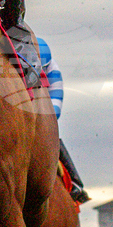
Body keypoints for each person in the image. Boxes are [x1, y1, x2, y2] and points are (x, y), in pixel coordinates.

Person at [38, 37, 91, 204]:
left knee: (52, 136)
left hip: (42, 106)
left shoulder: (52, 69)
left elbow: (56, 95)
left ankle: (76, 184)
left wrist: (49, 118)